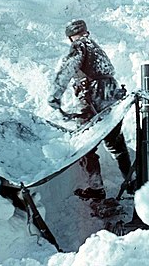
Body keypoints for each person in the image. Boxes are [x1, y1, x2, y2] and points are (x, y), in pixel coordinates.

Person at [48, 19, 133, 201]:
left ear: (71, 37)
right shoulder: (97, 50)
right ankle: (132, 182)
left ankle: (96, 187)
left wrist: (55, 94)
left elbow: (67, 69)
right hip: (110, 98)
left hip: (92, 98)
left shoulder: (80, 46)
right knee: (116, 144)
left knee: (85, 144)